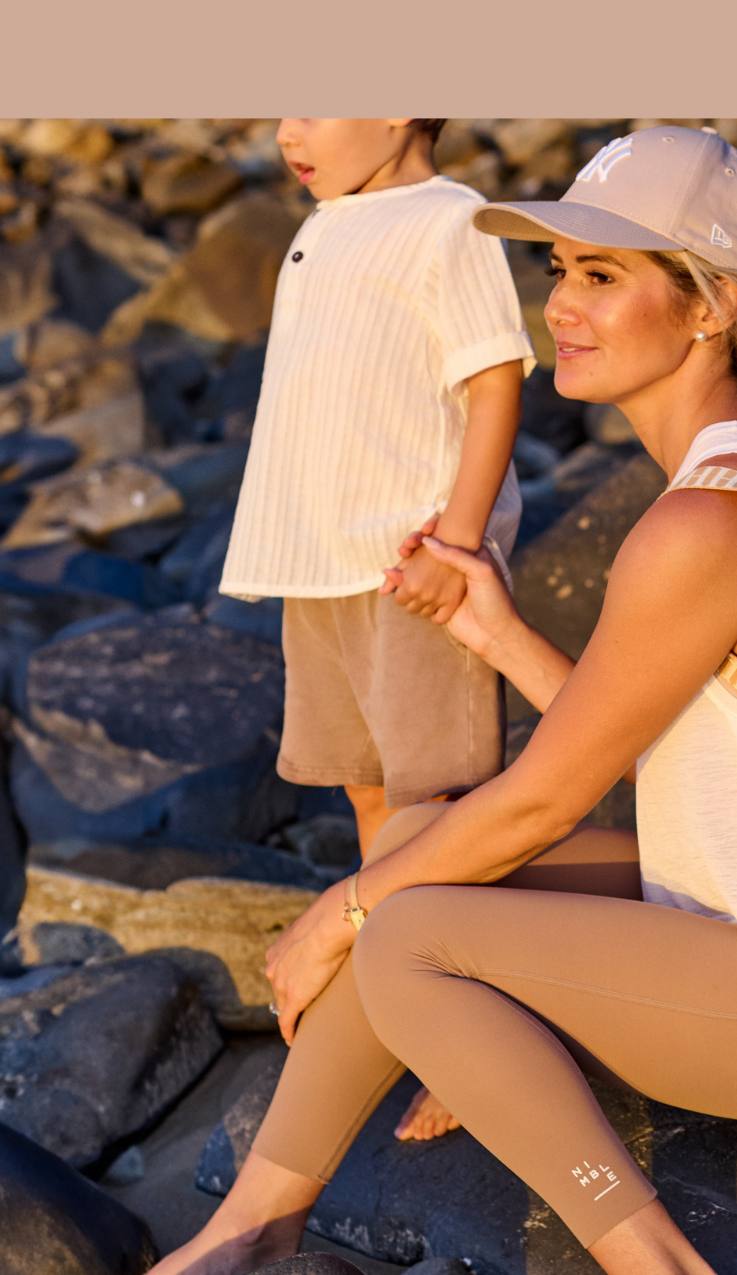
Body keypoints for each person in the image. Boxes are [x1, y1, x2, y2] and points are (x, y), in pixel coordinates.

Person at [145, 127, 737, 1275]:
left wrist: (339, 907)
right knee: (429, 841)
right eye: (559, 272)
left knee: (407, 934)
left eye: (601, 274)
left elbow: (544, 800)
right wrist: (495, 630)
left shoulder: (703, 521)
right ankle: (248, 1235)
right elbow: (667, 734)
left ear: (708, 306)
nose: (560, 307)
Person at [218, 118, 535, 1140]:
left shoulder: (449, 221)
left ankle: (471, 1021)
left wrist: (458, 539)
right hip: (321, 559)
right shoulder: (325, 225)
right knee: (364, 783)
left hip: (409, 558)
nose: (286, 131)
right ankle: (391, 990)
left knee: (435, 795)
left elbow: (494, 379)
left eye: (314, 102)